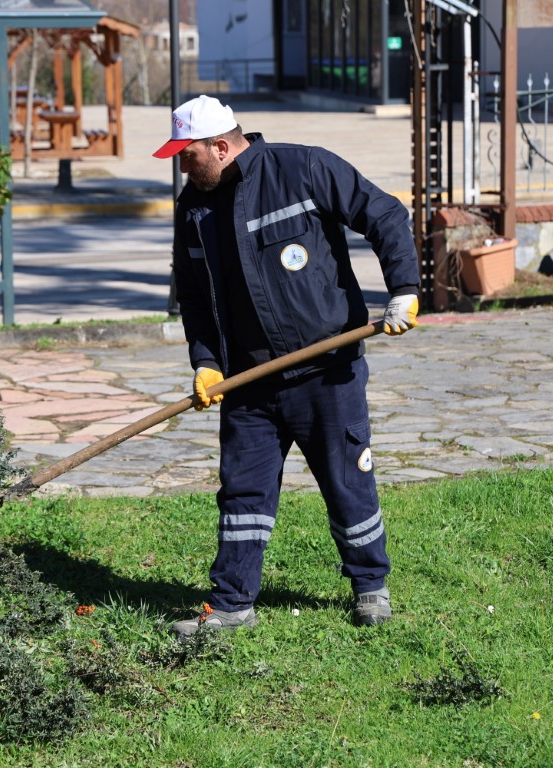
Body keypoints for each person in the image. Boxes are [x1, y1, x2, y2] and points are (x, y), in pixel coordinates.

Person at [154, 95, 420, 636]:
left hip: (326, 369)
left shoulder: (304, 168)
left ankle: (370, 587)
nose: (183, 166)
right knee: (242, 494)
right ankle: (232, 606)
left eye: (188, 154)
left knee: (347, 484)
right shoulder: (193, 209)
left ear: (221, 146)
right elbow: (194, 296)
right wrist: (206, 363)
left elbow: (385, 214)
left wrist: (405, 289)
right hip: (247, 380)